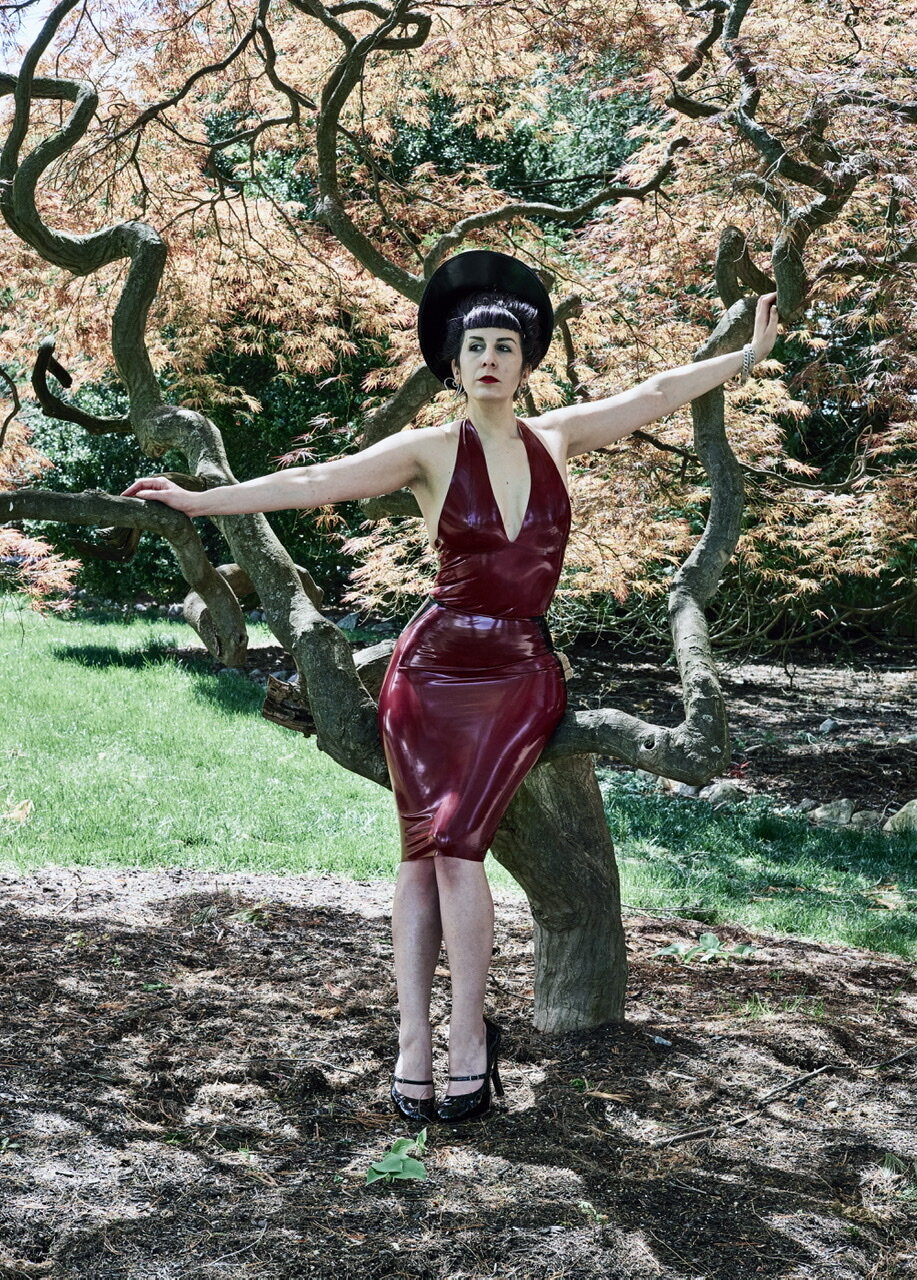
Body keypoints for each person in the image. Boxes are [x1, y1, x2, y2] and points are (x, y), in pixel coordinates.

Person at [122, 249, 780, 1124]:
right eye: (475, 348)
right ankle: (412, 1042)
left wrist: (744, 357)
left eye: (505, 346)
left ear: (525, 360)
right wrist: (201, 501)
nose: (490, 359)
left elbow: (655, 391)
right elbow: (313, 482)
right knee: (422, 852)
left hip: (519, 672)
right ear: (453, 363)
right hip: (430, 670)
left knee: (458, 847)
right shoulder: (428, 449)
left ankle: (466, 1037)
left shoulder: (556, 437)